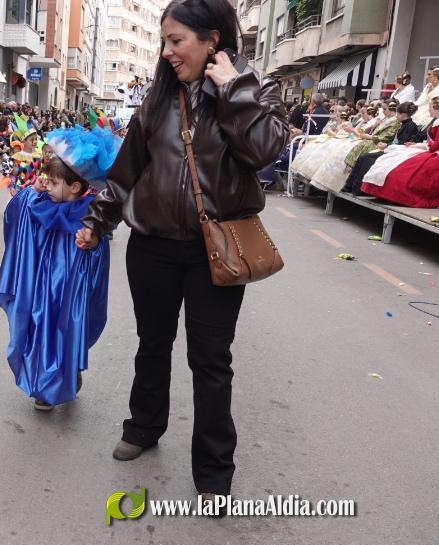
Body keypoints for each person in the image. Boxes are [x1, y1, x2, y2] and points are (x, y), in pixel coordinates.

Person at [75, 0, 288, 503]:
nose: (166, 51)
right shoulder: (157, 99)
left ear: (212, 39)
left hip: (215, 251)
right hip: (152, 248)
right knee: (152, 345)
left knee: (211, 361)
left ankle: (214, 472)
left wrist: (232, 88)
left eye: (177, 41)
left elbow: (263, 151)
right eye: (164, 41)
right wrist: (97, 222)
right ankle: (144, 426)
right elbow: (125, 172)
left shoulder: (253, 89)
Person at [0, 127, 116, 411]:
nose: (46, 185)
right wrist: (31, 192)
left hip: (70, 289)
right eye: (46, 180)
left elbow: (99, 257)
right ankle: (43, 384)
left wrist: (92, 242)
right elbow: (16, 216)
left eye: (53, 182)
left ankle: (69, 369)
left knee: (67, 328)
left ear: (75, 187)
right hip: (40, 285)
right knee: (39, 325)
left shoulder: (90, 217)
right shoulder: (40, 203)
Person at [360, 96, 439, 208]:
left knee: (408, 167)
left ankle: (398, 194)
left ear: (438, 108)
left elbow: (436, 146)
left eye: (430, 107)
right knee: (397, 156)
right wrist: (416, 145)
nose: (428, 109)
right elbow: (433, 143)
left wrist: (418, 146)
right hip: (438, 150)